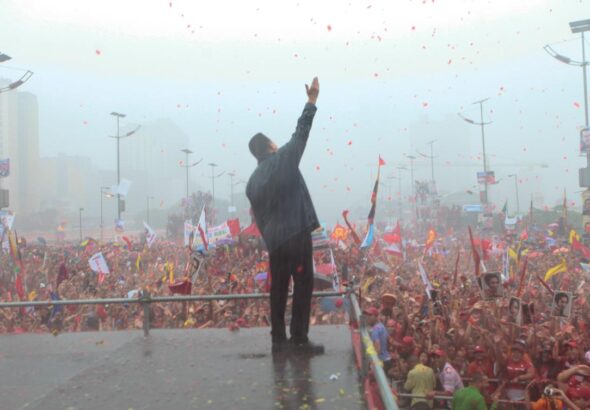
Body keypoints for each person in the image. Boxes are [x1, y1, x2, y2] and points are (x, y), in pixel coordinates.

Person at [246, 77, 322, 355]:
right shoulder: (283, 160)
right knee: (302, 284)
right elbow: (301, 133)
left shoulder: (252, 182)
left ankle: (278, 338)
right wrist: (311, 101)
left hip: (275, 243)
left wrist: (271, 239)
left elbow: (259, 220)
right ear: (269, 146)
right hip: (296, 235)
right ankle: (299, 338)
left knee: (278, 288)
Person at [364, 306, 392, 374]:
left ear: (375, 317)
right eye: (367, 315)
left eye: (370, 315)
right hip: (387, 359)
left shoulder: (375, 330)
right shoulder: (381, 325)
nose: (367, 317)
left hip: (381, 361)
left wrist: (371, 362)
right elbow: (389, 340)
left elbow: (378, 350)